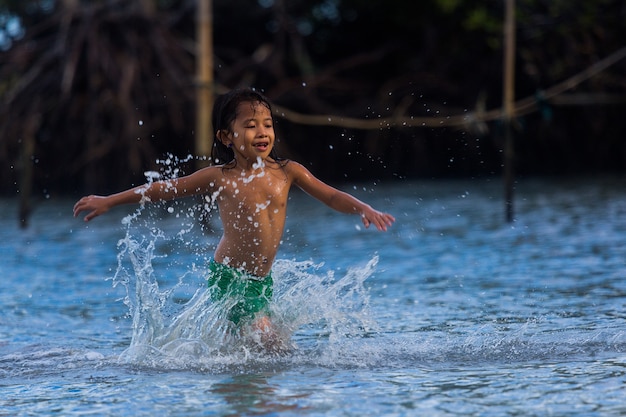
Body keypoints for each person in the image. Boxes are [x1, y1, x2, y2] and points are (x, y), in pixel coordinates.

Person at [73, 88, 395, 352]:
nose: (262, 132)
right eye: (251, 125)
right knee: (274, 348)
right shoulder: (221, 178)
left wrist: (363, 208)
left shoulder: (287, 172)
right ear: (227, 137)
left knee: (256, 348)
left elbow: (331, 196)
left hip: (261, 282)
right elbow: (163, 190)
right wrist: (110, 201)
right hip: (230, 278)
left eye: (267, 124)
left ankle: (238, 394)